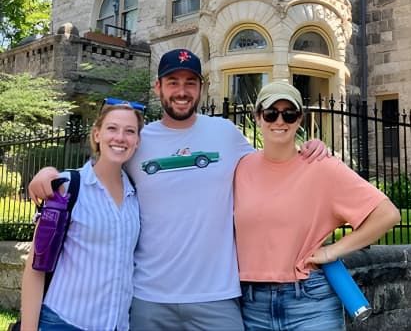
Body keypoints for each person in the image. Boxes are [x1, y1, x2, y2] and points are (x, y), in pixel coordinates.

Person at [28, 48, 327, 331]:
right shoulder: (138, 138)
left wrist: (306, 148)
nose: (181, 91)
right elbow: (101, 170)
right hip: (149, 297)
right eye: (173, 82)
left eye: (190, 82)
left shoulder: (224, 133)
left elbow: (270, 165)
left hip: (217, 295)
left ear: (201, 87)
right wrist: (49, 173)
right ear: (158, 87)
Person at [234, 81, 402, 331]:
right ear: (258, 117)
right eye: (271, 113)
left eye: (289, 114)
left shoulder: (322, 167)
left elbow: (387, 214)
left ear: (300, 118)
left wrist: (332, 251)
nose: (280, 121)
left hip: (310, 302)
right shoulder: (240, 167)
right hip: (252, 304)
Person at [21, 102, 144, 331]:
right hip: (63, 322)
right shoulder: (67, 188)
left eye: (130, 131)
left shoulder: (136, 196)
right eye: (112, 128)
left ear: (137, 141)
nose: (120, 137)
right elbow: (36, 266)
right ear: (97, 134)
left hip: (116, 326)